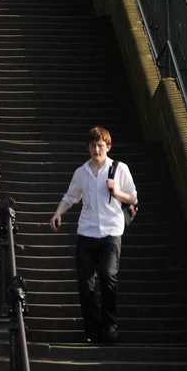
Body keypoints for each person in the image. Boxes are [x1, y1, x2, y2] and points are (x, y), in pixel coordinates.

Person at [49, 126, 137, 344]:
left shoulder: (120, 169)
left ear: (108, 147)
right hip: (86, 233)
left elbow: (133, 198)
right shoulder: (81, 173)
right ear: (88, 147)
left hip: (111, 232)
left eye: (100, 145)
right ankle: (92, 329)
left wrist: (116, 191)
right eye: (93, 146)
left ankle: (110, 327)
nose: (97, 150)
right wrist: (58, 213)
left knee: (107, 276)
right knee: (85, 284)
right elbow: (70, 197)